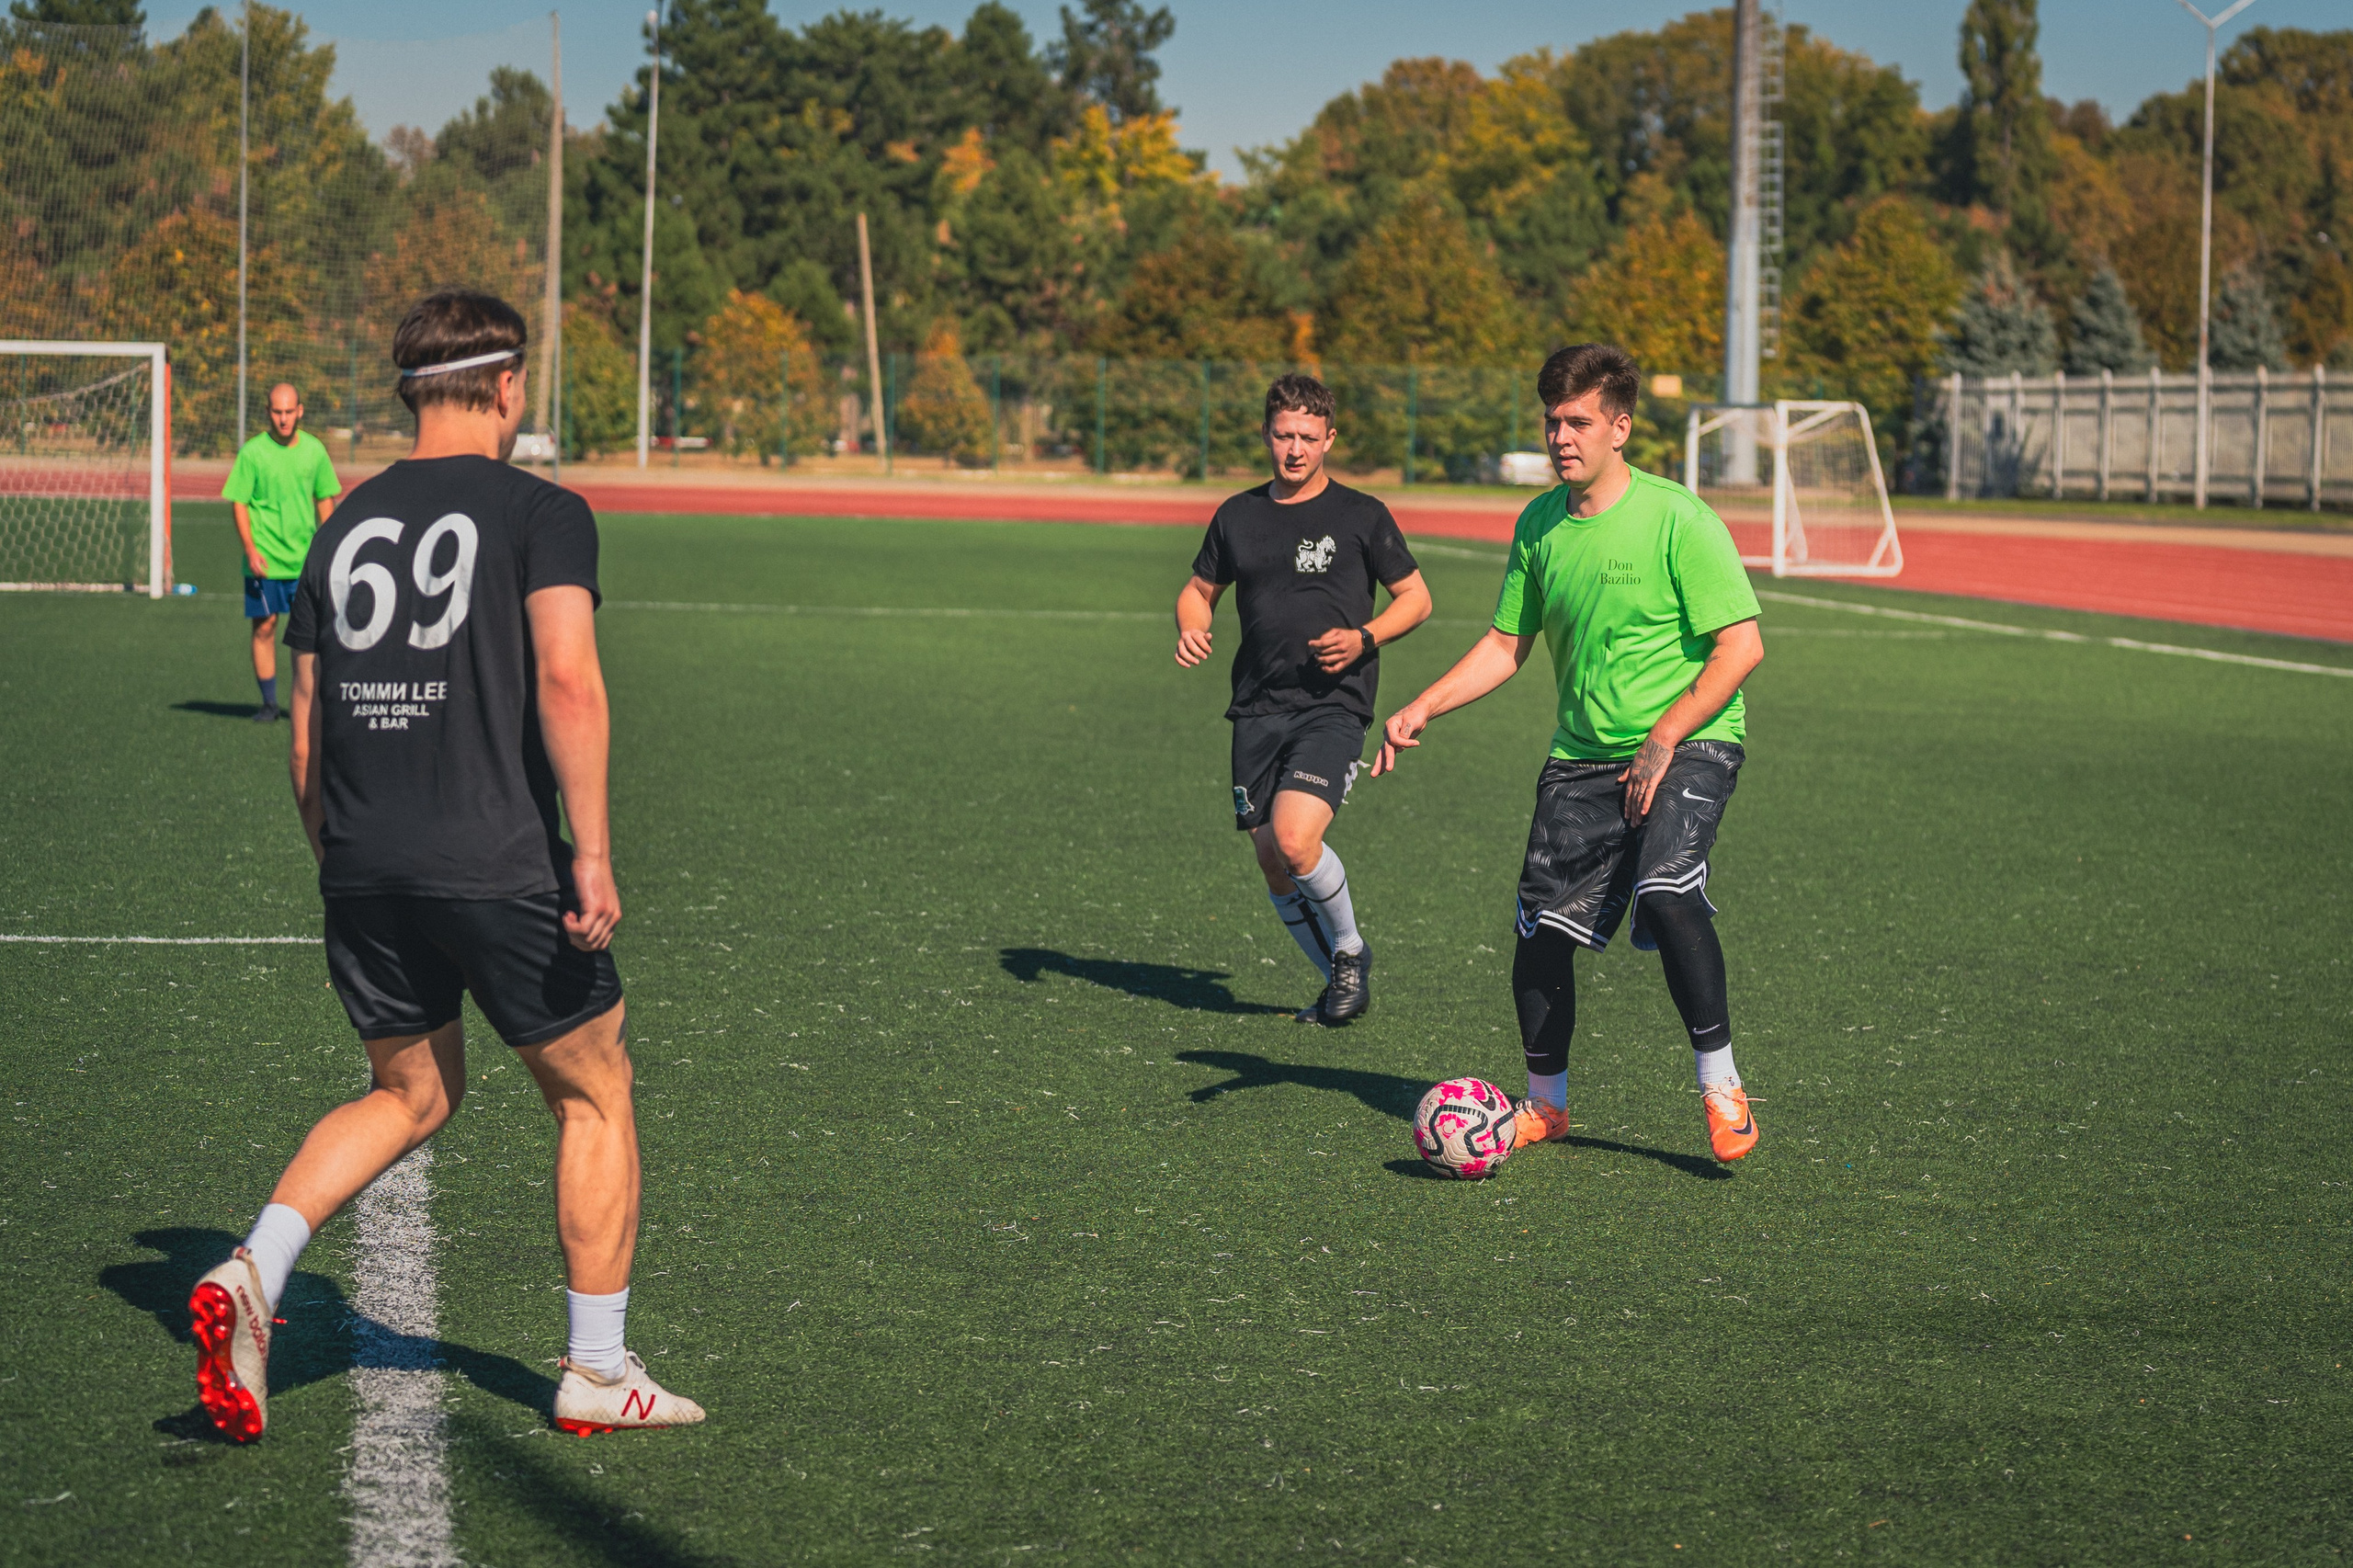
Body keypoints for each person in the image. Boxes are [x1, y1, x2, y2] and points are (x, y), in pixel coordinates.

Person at [187, 290, 703, 1441]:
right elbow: (568, 677)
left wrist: (343, 861)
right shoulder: (543, 510)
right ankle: (598, 1367)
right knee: (592, 1089)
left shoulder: (343, 523)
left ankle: (255, 1269)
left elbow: (307, 730)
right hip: (502, 860)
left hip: (363, 864)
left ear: (410, 390)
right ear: (507, 385)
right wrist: (597, 853)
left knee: (410, 1092)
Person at [1372, 344, 1766, 1163]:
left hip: (1690, 739)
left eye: (1579, 421)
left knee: (1665, 890)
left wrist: (1664, 735)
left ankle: (1722, 1087)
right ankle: (1545, 1106)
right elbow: (1505, 645)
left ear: (1620, 428)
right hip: (1581, 757)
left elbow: (1740, 649)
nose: (1561, 436)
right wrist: (1424, 704)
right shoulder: (1539, 526)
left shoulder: (1679, 519)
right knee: (1540, 930)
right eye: (1552, 420)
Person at [1176, 373, 1431, 1024]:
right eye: (1284, 435)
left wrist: (1365, 637)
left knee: (1294, 839)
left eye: (1308, 438)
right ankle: (1336, 984)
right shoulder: (1237, 514)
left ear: (1329, 440)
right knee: (1271, 859)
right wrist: (1191, 623)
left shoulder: (1361, 515)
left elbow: (1418, 600)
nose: (1295, 450)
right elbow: (1199, 588)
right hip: (1257, 706)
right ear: (1266, 434)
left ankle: (1350, 950)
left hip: (1333, 705)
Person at [223, 382, 341, 722]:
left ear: (300, 411)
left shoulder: (315, 451)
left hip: (305, 563)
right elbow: (240, 502)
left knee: (315, 634)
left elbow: (324, 498)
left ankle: (316, 702)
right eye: (278, 412)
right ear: (268, 412)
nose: (284, 419)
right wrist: (250, 548)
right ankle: (270, 704)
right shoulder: (253, 453)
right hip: (264, 562)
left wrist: (328, 547)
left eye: (290, 412)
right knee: (264, 628)